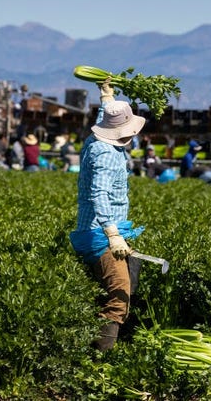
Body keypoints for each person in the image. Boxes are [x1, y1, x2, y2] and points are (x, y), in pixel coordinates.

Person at [69, 82, 147, 352]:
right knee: (120, 296)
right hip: (99, 234)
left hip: (100, 230)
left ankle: (96, 335)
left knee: (129, 275)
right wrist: (112, 234)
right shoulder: (105, 155)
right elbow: (98, 194)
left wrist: (107, 97)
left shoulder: (94, 140)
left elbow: (106, 118)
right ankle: (99, 358)